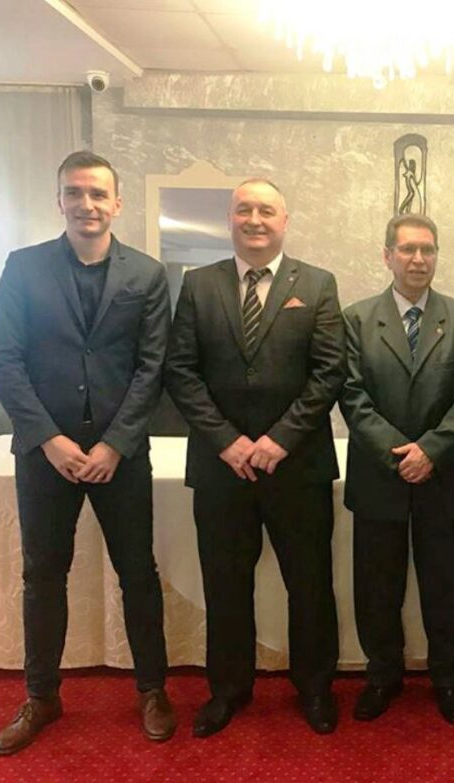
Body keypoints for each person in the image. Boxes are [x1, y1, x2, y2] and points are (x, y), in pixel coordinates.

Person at [0, 150, 175, 754]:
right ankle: (41, 695)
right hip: (46, 454)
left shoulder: (147, 274)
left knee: (138, 574)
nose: (86, 204)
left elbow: (152, 367)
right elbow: (6, 361)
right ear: (60, 200)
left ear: (117, 202)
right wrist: (50, 439)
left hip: (121, 455)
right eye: (75, 192)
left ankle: (152, 689)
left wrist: (116, 443)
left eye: (97, 193)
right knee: (43, 576)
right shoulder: (23, 267)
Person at [164, 178, 346, 737]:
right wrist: (227, 440)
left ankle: (314, 688)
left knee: (309, 585)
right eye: (244, 209)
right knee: (225, 586)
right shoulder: (199, 284)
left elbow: (329, 372)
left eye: (266, 210)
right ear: (230, 219)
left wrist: (279, 439)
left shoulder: (316, 284)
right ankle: (228, 690)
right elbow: (181, 371)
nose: (255, 219)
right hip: (221, 468)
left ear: (284, 220)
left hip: (297, 466)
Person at [339, 214, 454, 725]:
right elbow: (351, 395)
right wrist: (400, 453)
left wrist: (432, 451)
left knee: (447, 586)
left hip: (441, 476)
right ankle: (382, 675)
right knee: (377, 586)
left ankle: (449, 679)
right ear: (387, 256)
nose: (418, 259)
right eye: (407, 250)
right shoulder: (357, 319)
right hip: (379, 477)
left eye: (427, 249)